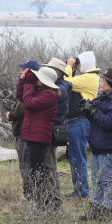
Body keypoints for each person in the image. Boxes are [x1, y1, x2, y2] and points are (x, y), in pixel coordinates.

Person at [78, 68, 112, 221]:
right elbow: (97, 120)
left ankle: (108, 208)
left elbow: (110, 122)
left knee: (106, 178)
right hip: (97, 144)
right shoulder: (104, 98)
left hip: (109, 145)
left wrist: (94, 112)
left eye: (103, 81)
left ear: (111, 84)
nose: (100, 83)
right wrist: (88, 110)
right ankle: (96, 207)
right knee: (96, 178)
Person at [20, 67, 59, 210]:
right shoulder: (42, 93)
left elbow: (28, 103)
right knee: (34, 170)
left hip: (38, 137)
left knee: (38, 172)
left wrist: (29, 83)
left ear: (44, 81)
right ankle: (42, 202)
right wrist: (24, 81)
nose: (35, 80)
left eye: (37, 78)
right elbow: (21, 97)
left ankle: (45, 203)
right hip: (33, 135)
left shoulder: (49, 95)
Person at [64, 51, 100, 198]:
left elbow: (65, 83)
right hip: (76, 122)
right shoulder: (87, 77)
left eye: (79, 63)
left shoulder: (89, 78)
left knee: (78, 157)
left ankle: (82, 192)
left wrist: (68, 66)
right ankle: (79, 190)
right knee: (74, 156)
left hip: (79, 122)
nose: (77, 65)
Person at [6, 60, 39, 200]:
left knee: (25, 163)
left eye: (24, 69)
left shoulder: (30, 86)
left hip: (24, 131)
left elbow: (22, 107)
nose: (21, 72)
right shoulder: (33, 85)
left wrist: (11, 115)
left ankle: (29, 193)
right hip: (25, 130)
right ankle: (32, 192)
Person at [42, 58, 72, 208]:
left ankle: (55, 201)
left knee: (50, 166)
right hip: (52, 129)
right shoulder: (61, 86)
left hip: (52, 130)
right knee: (48, 165)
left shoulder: (61, 88)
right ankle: (50, 198)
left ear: (57, 72)